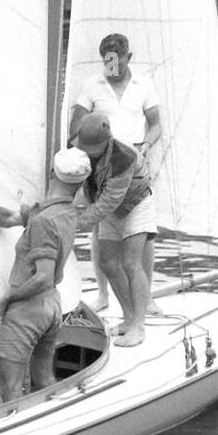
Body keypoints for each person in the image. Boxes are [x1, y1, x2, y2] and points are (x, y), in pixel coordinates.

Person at [0, 146, 92, 402]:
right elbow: (10, 217)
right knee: (43, 378)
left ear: (51, 172)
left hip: (28, 309)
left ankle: (15, 430)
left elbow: (43, 275)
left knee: (10, 387)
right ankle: (51, 422)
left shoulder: (44, 220)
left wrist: (6, 299)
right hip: (52, 304)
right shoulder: (63, 212)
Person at [68, 32, 163, 313]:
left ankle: (147, 297)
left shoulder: (143, 84)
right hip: (100, 161)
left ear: (128, 57)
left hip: (135, 160)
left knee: (141, 231)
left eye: (116, 62)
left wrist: (146, 145)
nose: (111, 69)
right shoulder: (92, 85)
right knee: (101, 228)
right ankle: (103, 293)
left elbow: (156, 124)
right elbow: (77, 129)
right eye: (106, 62)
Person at [73, 112, 156, 347]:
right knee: (108, 263)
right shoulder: (77, 149)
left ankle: (139, 326)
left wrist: (74, 223)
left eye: (93, 149)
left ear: (107, 141)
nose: (88, 153)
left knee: (131, 262)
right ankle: (128, 319)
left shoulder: (124, 157)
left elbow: (110, 201)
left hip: (135, 204)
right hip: (105, 205)